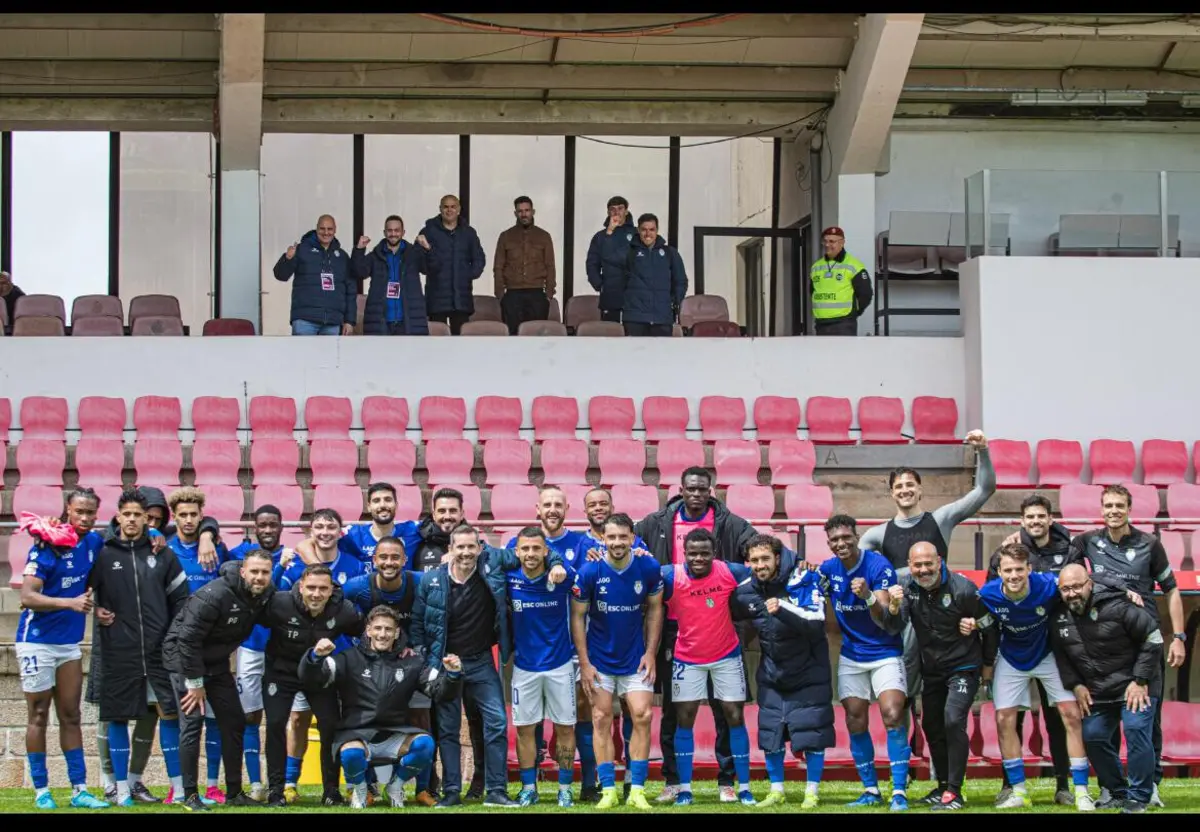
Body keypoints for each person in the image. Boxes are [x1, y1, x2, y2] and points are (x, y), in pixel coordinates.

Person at [410, 524, 564, 807]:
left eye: (471, 547)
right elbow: (418, 627)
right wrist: (427, 661)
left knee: (496, 723)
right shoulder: (430, 580)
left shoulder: (492, 562)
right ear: (450, 550)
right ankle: (452, 791)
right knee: (448, 728)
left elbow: (534, 551)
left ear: (480, 548)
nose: (466, 552)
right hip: (446, 663)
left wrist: (555, 562)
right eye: (460, 547)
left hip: (481, 661)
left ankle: (496, 791)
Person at [635, 467, 754, 803]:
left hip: (719, 624)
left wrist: (794, 562)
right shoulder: (658, 521)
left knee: (725, 711)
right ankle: (675, 781)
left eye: (703, 489)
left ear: (710, 490)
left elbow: (760, 550)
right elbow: (626, 545)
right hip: (673, 629)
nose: (697, 494)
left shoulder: (729, 523)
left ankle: (728, 781)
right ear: (682, 490)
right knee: (675, 712)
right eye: (691, 489)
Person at [1065, 483, 1186, 809]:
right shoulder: (1087, 542)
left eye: (1119, 505)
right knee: (1104, 725)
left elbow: (1171, 589)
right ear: (1101, 509)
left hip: (1145, 642)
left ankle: (1151, 785)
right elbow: (1067, 573)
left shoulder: (1149, 544)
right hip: (1105, 647)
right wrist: (1118, 587)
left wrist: (1179, 636)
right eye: (1108, 505)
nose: (1113, 511)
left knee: (1147, 721)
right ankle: (1114, 788)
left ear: (1129, 509)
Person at [91, 485, 214, 804]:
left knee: (169, 713)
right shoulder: (102, 553)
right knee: (117, 716)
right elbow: (81, 588)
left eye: (139, 515)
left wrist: (174, 638)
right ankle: (119, 791)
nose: (132, 519)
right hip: (118, 650)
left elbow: (182, 601)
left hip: (161, 652)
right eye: (127, 514)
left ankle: (176, 789)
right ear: (118, 517)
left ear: (149, 519)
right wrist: (94, 608)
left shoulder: (163, 553)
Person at [857, 430, 994, 716]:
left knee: (944, 698)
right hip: (908, 616)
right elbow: (856, 565)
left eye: (910, 484)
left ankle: (939, 750)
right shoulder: (877, 534)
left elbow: (984, 490)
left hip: (944, 616)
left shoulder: (941, 519)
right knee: (903, 690)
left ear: (920, 489)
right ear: (891, 493)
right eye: (899, 486)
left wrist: (983, 451)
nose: (905, 489)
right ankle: (908, 747)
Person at [299, 606, 465, 809]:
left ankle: (395, 786)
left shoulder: (412, 662)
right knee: (350, 754)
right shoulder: (348, 658)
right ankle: (360, 789)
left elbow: (440, 692)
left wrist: (453, 675)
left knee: (425, 745)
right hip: (357, 734)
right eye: (377, 628)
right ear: (368, 630)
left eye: (388, 629)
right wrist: (314, 658)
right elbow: (314, 680)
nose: (382, 634)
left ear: (396, 632)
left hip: (395, 733)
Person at [969, 543, 1093, 811]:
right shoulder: (988, 594)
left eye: (1018, 570)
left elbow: (1082, 580)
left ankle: (1082, 791)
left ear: (1029, 569)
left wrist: (1127, 592)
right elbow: (966, 609)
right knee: (1004, 720)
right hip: (1011, 658)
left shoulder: (1048, 585)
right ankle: (1019, 791)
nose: (1013, 575)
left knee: (1071, 715)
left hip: (1047, 654)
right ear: (999, 572)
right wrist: (966, 622)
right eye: (1007, 570)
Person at [881, 541, 997, 810]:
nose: (923, 570)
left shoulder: (964, 589)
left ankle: (955, 793)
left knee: (952, 720)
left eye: (928, 563)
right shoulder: (908, 589)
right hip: (931, 670)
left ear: (940, 561)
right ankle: (943, 786)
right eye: (917, 565)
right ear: (910, 566)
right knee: (932, 725)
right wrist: (894, 606)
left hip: (963, 667)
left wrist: (988, 665)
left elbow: (990, 627)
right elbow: (892, 627)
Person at [16, 489, 111, 810]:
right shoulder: (46, 545)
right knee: (39, 715)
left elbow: (130, 534)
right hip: (37, 642)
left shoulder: (94, 543)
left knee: (70, 715)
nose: (85, 518)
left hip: (68, 645)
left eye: (90, 513)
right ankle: (42, 791)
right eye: (79, 511)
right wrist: (69, 603)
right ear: (67, 510)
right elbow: (28, 597)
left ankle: (79, 789)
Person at [161, 552, 277, 810]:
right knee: (192, 723)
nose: (259, 577)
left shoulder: (264, 594)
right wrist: (194, 682)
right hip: (184, 660)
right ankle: (189, 795)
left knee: (234, 721)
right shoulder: (214, 595)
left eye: (265, 572)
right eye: (254, 572)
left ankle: (234, 793)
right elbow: (187, 640)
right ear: (243, 571)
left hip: (216, 662)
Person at [730, 534, 834, 809]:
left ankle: (812, 792)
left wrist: (783, 609)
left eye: (765, 558)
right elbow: (729, 613)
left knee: (812, 733)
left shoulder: (802, 578)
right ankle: (776, 790)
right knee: (770, 734)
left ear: (778, 558)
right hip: (772, 672)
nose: (760, 565)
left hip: (810, 670)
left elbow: (816, 622)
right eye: (754, 560)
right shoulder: (744, 591)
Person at [1051, 564, 1164, 815]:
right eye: (1066, 589)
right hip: (1099, 690)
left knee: (1135, 730)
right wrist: (1076, 685)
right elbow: (1062, 656)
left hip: (1137, 685)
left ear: (1089, 584)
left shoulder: (1120, 605)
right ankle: (1118, 792)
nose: (1072, 594)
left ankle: (1140, 797)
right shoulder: (1058, 617)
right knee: (1093, 736)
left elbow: (1154, 637)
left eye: (1077, 587)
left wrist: (1140, 680)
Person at [815, 515, 911, 811]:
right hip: (851, 655)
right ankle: (870, 790)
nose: (841, 543)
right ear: (828, 543)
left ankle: (899, 791)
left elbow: (886, 620)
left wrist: (868, 595)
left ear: (855, 536)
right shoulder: (828, 570)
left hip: (884, 652)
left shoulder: (877, 566)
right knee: (855, 719)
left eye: (846, 537)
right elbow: (830, 619)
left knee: (893, 714)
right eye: (834, 540)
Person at [571, 513, 665, 810]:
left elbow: (654, 610)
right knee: (600, 719)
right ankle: (609, 789)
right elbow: (577, 616)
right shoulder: (589, 571)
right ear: (603, 539)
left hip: (635, 657)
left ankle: (637, 789)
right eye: (611, 537)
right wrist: (584, 663)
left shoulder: (647, 566)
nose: (617, 542)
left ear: (632, 537)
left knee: (642, 715)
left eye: (623, 537)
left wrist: (650, 652)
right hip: (599, 659)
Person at [273, 508, 366, 803]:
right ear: (310, 531)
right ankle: (289, 782)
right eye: (319, 526)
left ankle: (351, 784)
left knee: (341, 721)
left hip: (342, 660)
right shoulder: (295, 564)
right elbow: (279, 601)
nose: (325, 531)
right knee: (299, 718)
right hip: (302, 662)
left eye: (331, 526)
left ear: (341, 531)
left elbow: (359, 611)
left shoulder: (354, 564)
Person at [989, 494, 1074, 806]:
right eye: (1030, 517)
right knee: (1013, 719)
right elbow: (992, 596)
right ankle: (1011, 786)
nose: (1035, 522)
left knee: (1057, 718)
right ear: (1022, 521)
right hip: (1016, 646)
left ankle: (1063, 785)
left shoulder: (1068, 548)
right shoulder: (1007, 552)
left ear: (1050, 519)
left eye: (1041, 516)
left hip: (1054, 646)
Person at [660, 528, 756, 806]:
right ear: (684, 554)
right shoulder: (671, 575)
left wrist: (796, 562)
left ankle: (741, 787)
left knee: (734, 716)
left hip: (727, 656)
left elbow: (769, 563)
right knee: (684, 719)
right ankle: (685, 788)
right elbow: (639, 571)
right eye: (693, 553)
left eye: (704, 553)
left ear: (714, 553)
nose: (698, 558)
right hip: (687, 658)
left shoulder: (730, 571)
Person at [342, 536, 434, 806]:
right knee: (363, 721)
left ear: (405, 560)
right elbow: (333, 602)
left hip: (407, 661)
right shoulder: (357, 586)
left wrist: (418, 650)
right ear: (374, 560)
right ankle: (364, 787)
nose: (389, 562)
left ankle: (418, 787)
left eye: (395, 557)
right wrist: (356, 647)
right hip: (368, 664)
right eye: (383, 557)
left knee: (421, 722)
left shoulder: (419, 582)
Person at [165, 486, 231, 804]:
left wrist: (210, 533)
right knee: (189, 720)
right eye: (183, 515)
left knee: (216, 718)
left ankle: (214, 784)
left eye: (194, 515)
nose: (189, 520)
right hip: (181, 647)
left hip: (215, 648)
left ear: (202, 516)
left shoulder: (218, 548)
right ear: (174, 517)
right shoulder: (163, 550)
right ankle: (182, 787)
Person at [505, 527, 579, 807]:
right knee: (524, 729)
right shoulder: (510, 577)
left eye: (537, 548)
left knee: (564, 728)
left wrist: (560, 565)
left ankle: (564, 788)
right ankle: (528, 787)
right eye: (525, 549)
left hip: (560, 664)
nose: (531, 554)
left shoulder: (562, 576)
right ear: (517, 551)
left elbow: (577, 579)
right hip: (524, 667)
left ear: (546, 551)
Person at [229, 505, 284, 803]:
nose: (267, 530)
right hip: (249, 648)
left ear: (280, 527)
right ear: (254, 526)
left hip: (280, 650)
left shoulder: (294, 556)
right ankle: (255, 783)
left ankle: (284, 783)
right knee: (250, 716)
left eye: (272, 525)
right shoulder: (238, 554)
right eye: (262, 524)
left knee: (279, 719)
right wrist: (209, 535)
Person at [273, 214, 357, 336]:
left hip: (333, 322)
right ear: (316, 229)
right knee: (303, 355)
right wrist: (287, 258)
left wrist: (349, 321)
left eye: (330, 229)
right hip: (304, 320)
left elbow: (350, 290)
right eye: (322, 228)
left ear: (335, 230)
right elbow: (281, 275)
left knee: (330, 356)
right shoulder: (302, 250)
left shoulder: (342, 257)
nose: (326, 232)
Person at [414, 195, 486, 335]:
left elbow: (479, 258)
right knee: (436, 344)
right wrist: (431, 263)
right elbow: (418, 262)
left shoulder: (468, 233)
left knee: (460, 345)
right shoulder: (428, 231)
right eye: (446, 207)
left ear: (458, 209)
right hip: (436, 298)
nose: (449, 210)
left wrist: (468, 274)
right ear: (440, 209)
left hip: (461, 299)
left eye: (453, 206)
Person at [352, 215, 430, 336]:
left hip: (409, 321)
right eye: (389, 230)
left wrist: (427, 248)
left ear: (403, 232)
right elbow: (358, 272)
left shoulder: (414, 254)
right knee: (381, 355)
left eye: (397, 230)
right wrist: (359, 250)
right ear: (384, 232)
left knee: (409, 355)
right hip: (380, 322)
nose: (393, 234)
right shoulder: (375, 256)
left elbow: (432, 269)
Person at [494, 196, 556, 334]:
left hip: (537, 294)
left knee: (536, 336)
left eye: (527, 210)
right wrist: (500, 293)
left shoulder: (544, 236)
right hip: (512, 294)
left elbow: (550, 265)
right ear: (515, 213)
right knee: (513, 336)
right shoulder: (505, 236)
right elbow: (498, 266)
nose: (524, 214)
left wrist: (549, 293)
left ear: (533, 212)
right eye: (520, 211)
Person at [622, 213, 687, 337]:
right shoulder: (628, 252)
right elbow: (619, 280)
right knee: (632, 356)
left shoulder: (670, 253)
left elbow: (681, 281)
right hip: (635, 319)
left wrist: (673, 301)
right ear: (638, 230)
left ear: (657, 230)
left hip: (662, 318)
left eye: (652, 229)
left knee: (661, 356)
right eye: (644, 230)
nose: (648, 234)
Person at [809, 226, 872, 336]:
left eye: (832, 241)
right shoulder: (816, 266)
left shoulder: (854, 266)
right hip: (821, 324)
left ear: (842, 243)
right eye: (825, 241)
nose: (827, 245)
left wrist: (854, 313)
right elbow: (812, 291)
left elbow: (866, 294)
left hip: (843, 324)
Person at [585, 196, 636, 323]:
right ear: (608, 213)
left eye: (620, 208)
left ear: (626, 211)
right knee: (610, 335)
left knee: (633, 336)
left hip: (634, 295)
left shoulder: (637, 234)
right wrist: (600, 285)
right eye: (612, 209)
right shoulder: (600, 237)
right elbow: (592, 264)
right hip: (610, 294)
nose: (616, 212)